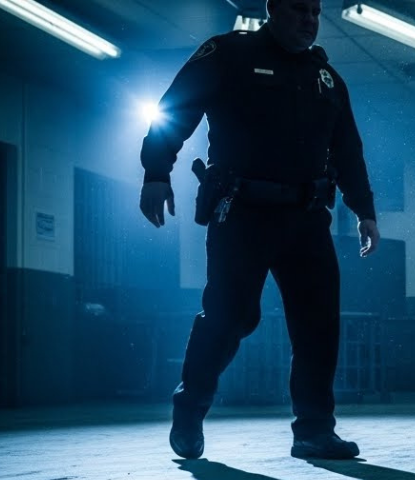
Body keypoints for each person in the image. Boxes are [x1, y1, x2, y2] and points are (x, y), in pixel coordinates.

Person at [137, 0, 380, 460]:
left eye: (316, 12)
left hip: (308, 217)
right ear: (273, 8)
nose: (309, 20)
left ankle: (313, 430)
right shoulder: (229, 53)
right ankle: (189, 409)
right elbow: (175, 108)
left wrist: (364, 209)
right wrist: (155, 172)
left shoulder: (326, 79)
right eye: (299, 10)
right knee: (230, 317)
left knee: (318, 326)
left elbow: (347, 149)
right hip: (241, 211)